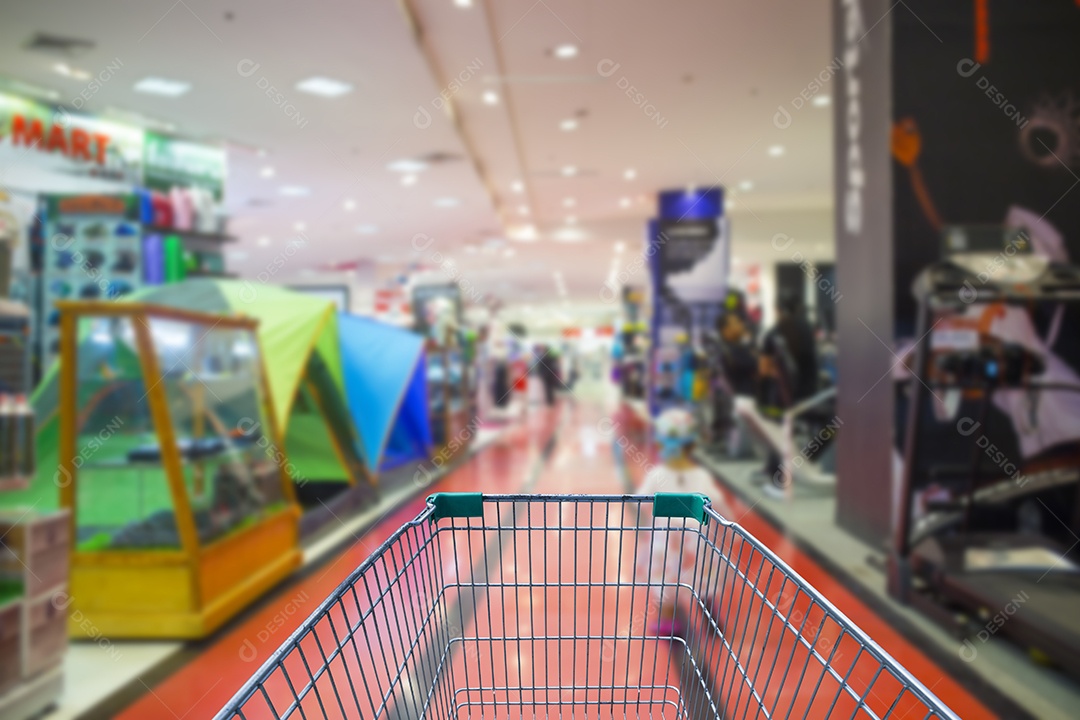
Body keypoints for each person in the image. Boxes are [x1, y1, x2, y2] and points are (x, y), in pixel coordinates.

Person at [636, 408, 733, 636]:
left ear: (661, 445)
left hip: (666, 543)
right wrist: (729, 527)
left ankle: (668, 621)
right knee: (704, 579)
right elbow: (717, 502)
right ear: (691, 446)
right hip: (697, 541)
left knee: (666, 583)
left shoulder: (656, 474)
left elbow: (640, 501)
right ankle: (710, 614)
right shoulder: (701, 475)